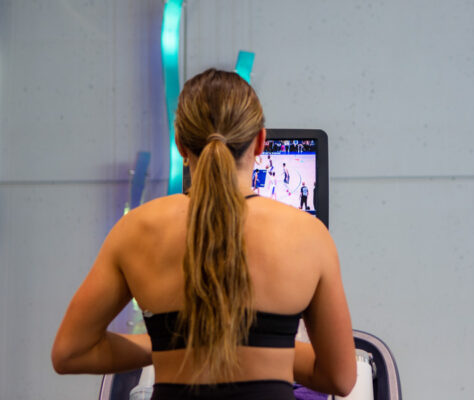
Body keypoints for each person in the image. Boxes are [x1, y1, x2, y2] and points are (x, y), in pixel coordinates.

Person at [51, 69, 356, 399]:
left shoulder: (135, 230)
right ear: (259, 142)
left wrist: (168, 346)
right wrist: (272, 347)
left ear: (181, 144)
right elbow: (339, 378)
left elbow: (71, 352)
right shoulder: (308, 235)